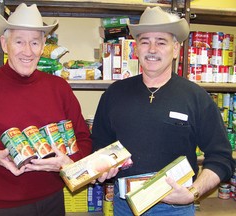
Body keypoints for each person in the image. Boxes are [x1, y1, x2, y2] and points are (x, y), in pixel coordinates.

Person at [92, 6, 235, 216]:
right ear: (136, 48)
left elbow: (222, 158)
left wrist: (193, 192)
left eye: (161, 42)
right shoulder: (114, 94)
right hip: (124, 207)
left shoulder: (196, 97)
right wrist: (103, 168)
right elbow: (99, 148)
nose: (152, 49)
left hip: (176, 208)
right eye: (145, 41)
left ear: (175, 49)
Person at [0, 3, 92, 216]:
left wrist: (68, 162)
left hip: (53, 197)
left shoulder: (59, 87)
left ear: (43, 45)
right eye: (19, 42)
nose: (28, 51)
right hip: (4, 203)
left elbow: (83, 139)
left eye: (35, 42)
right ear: (4, 44)